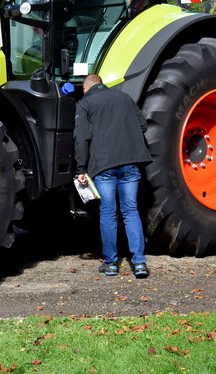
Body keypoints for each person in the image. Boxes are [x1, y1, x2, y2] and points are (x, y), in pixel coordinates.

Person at [73, 74, 152, 278]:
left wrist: (81, 169)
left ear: (85, 88)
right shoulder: (124, 98)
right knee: (131, 211)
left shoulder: (86, 102)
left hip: (104, 166)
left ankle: (111, 264)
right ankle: (140, 263)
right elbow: (142, 125)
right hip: (130, 163)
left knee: (108, 214)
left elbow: (81, 138)